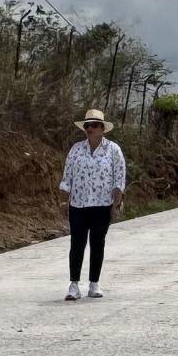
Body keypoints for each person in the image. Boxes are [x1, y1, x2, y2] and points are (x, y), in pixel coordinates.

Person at [58, 109, 125, 301]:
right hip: (78, 204)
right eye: (87, 125)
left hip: (102, 204)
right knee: (76, 244)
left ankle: (94, 283)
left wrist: (116, 203)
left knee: (97, 243)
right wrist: (64, 200)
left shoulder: (113, 150)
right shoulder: (76, 149)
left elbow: (119, 178)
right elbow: (67, 176)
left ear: (102, 129)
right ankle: (73, 285)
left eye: (94, 125)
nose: (90, 129)